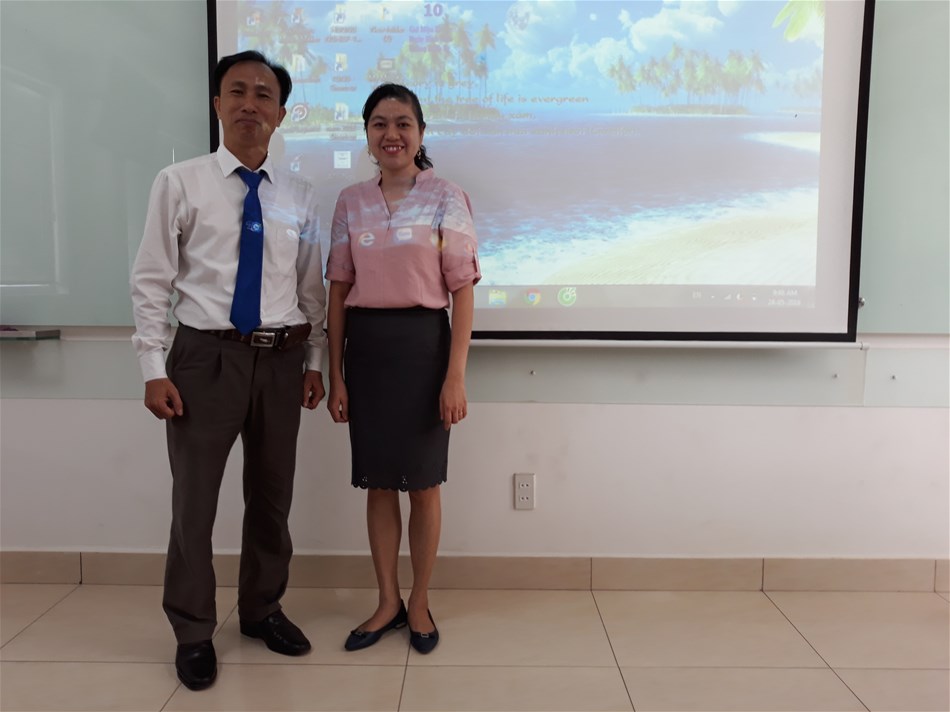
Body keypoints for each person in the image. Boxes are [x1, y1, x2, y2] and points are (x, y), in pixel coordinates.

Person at [130, 50, 326, 690]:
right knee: (195, 503)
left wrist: (314, 361)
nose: (250, 104)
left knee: (272, 498)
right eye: (237, 91)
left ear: (281, 114)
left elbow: (311, 290)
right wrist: (152, 366)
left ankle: (262, 610)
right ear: (217, 104)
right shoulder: (179, 182)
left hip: (282, 359)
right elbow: (151, 280)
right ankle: (193, 630)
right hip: (203, 358)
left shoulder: (300, 195)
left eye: (264, 94)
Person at [325, 83, 480, 654]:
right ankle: (387, 600)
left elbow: (462, 291)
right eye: (379, 124)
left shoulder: (447, 197)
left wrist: (455, 375)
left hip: (424, 350)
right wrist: (336, 374)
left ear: (420, 132)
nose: (391, 134)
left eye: (403, 123)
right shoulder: (349, 201)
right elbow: (337, 291)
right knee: (379, 482)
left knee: (424, 484)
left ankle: (418, 602)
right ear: (367, 134)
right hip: (367, 351)